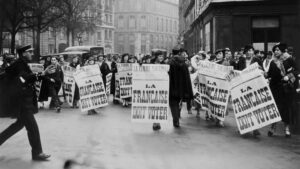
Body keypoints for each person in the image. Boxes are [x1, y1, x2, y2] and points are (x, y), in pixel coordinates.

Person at [0, 45, 50, 161]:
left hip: (22, 101)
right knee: (33, 127)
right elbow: (27, 78)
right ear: (23, 53)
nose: (32, 54)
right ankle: (37, 153)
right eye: (30, 52)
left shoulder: (21, 63)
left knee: (18, 125)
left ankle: (37, 153)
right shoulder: (19, 64)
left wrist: (42, 75)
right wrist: (43, 73)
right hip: (21, 103)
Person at [267, 43, 298, 138]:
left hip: (287, 89)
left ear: (282, 50)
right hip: (276, 89)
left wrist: (288, 76)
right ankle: (273, 128)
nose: (276, 52)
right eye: (274, 50)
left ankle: (287, 129)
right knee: (275, 109)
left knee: (286, 109)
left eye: (278, 50)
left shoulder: (289, 59)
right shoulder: (272, 62)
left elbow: (297, 70)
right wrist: (263, 75)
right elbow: (269, 75)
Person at [169, 48, 194, 128]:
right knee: (178, 101)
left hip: (171, 87)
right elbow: (186, 77)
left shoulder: (169, 63)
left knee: (173, 104)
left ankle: (176, 120)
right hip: (181, 87)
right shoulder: (183, 63)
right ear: (179, 53)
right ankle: (177, 119)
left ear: (172, 53)